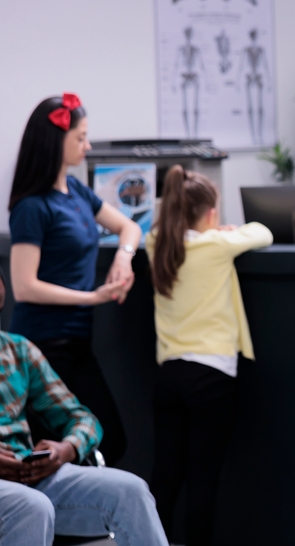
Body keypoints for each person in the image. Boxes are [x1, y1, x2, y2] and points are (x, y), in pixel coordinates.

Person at [7, 93, 141, 466]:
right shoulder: (32, 207)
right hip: (43, 347)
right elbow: (24, 286)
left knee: (106, 439)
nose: (88, 145)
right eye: (80, 137)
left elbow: (129, 227)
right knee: (63, 447)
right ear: (56, 142)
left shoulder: (76, 191)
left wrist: (124, 258)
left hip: (77, 343)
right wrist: (92, 298)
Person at [145, 165, 273, 546]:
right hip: (211, 377)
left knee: (166, 475)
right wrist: (223, 232)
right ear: (211, 214)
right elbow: (263, 232)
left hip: (168, 377)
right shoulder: (216, 245)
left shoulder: (157, 243)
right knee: (203, 477)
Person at [0, 270, 167, 546]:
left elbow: (81, 418)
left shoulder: (19, 351)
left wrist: (67, 449)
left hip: (30, 475)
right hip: (22, 498)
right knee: (31, 506)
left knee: (131, 491)